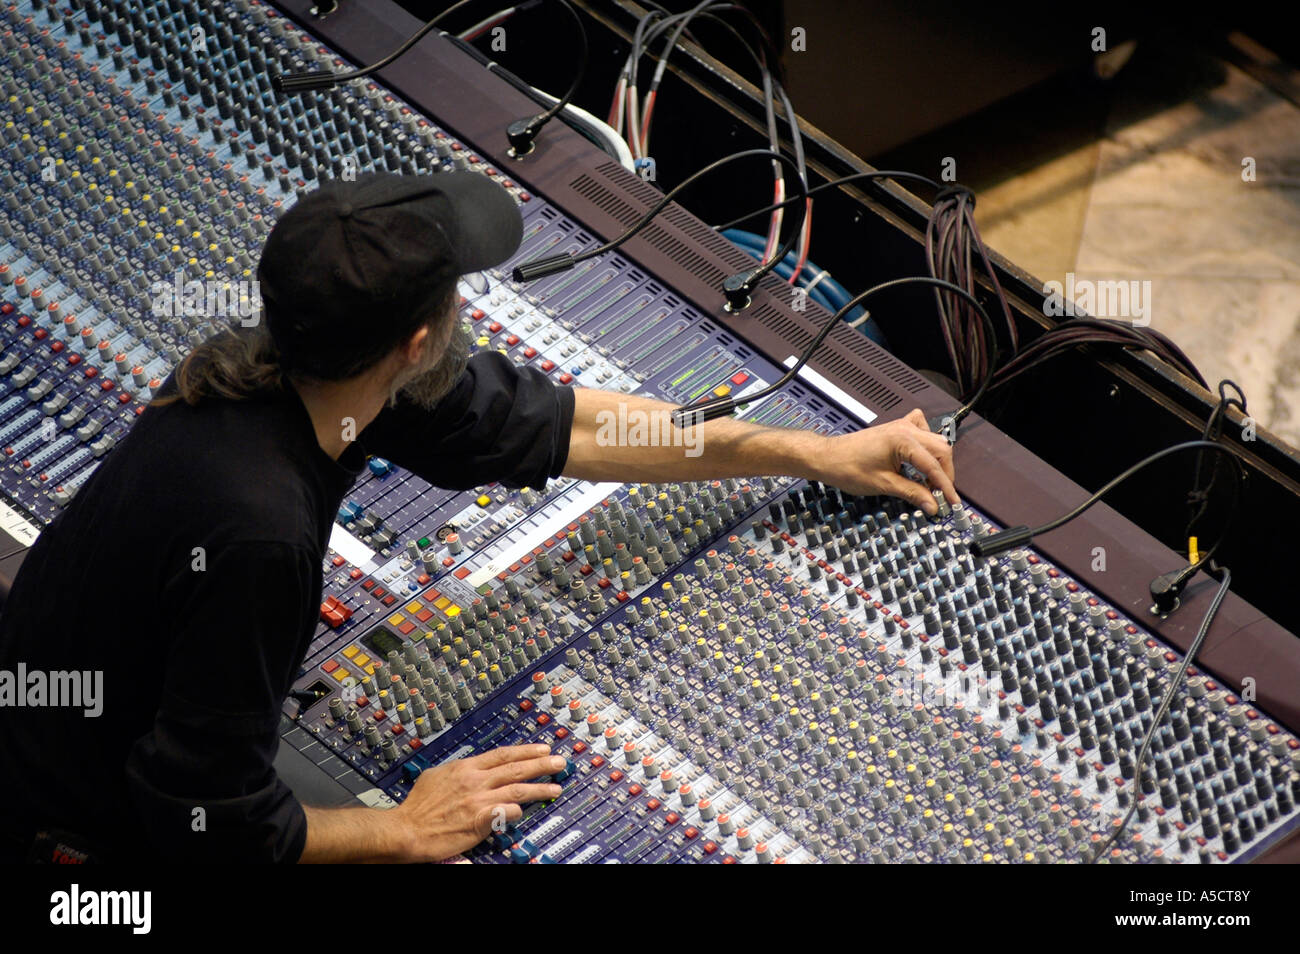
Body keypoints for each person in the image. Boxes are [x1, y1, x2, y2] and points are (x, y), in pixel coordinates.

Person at [0, 171, 958, 863]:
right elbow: (206, 819)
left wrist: (812, 450)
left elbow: (564, 425)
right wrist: (405, 830)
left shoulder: (279, 370)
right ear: (418, 341)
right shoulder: (258, 531)